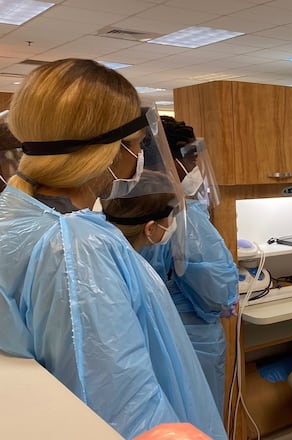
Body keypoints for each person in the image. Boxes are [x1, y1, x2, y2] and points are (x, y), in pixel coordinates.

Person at [0, 59, 226, 439]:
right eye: (137, 146)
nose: (138, 159)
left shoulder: (17, 218)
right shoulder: (76, 248)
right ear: (112, 151)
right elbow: (118, 400)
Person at [139, 116, 238, 414]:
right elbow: (217, 292)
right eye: (192, 158)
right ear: (171, 161)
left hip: (154, 338)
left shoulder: (137, 209)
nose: (196, 167)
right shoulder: (183, 217)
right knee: (200, 420)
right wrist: (226, 299)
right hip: (193, 341)